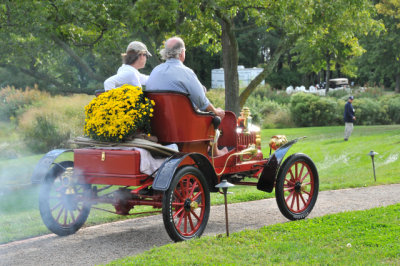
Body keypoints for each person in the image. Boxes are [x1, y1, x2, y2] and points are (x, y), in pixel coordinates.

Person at [146, 36, 227, 156]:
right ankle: (215, 152)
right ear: (182, 53)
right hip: (185, 130)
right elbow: (202, 102)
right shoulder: (186, 72)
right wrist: (216, 111)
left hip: (158, 130)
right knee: (214, 116)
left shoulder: (155, 71)